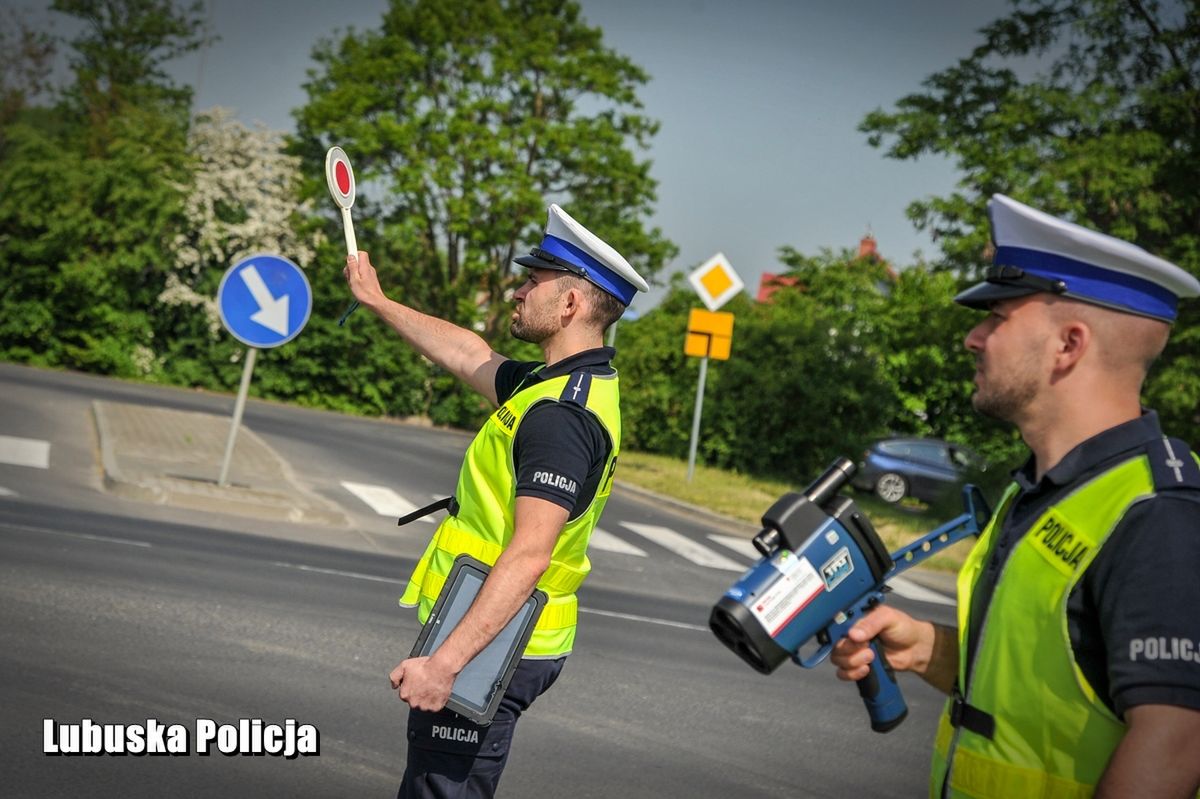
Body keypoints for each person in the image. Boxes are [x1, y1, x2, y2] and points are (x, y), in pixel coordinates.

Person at [830, 194, 1200, 798]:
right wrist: (926, 649)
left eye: (997, 317)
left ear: (1069, 345)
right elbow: (1044, 698)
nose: (974, 338)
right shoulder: (1045, 490)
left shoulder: (1158, 513)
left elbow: (1178, 741)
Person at [343, 203, 647, 797]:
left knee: (443, 791)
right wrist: (380, 302)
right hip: (500, 632)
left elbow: (531, 553)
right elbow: (468, 354)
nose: (517, 290)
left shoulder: (560, 415)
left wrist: (446, 662)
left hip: (496, 643)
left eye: (532, 282)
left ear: (570, 304)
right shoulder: (556, 381)